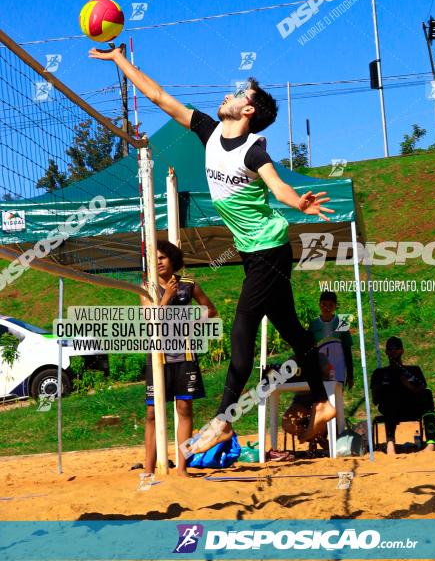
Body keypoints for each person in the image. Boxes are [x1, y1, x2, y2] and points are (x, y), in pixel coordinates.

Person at [89, 46, 336, 453]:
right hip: (255, 254)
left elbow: (278, 187)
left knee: (242, 332)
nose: (230, 95)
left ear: (248, 111)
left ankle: (223, 421)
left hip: (270, 251)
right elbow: (158, 97)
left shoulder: (254, 151)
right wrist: (119, 60)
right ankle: (324, 403)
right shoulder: (208, 131)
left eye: (240, 95)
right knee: (290, 328)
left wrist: (299, 203)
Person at [142, 240, 218, 477]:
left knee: (184, 407)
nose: (158, 262)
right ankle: (148, 469)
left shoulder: (188, 283)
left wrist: (194, 325)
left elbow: (211, 310)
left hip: (184, 356)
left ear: (172, 259)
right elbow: (149, 321)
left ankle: (182, 468)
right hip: (157, 357)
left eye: (162, 257)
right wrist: (166, 299)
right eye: (154, 258)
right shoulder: (147, 287)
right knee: (153, 413)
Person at [370, 336, 435, 455]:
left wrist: (409, 386)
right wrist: (383, 388)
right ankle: (390, 443)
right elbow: (375, 400)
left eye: (396, 348)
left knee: (427, 394)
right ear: (386, 352)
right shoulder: (380, 373)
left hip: (412, 406)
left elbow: (423, 388)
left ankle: (431, 442)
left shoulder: (414, 370)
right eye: (390, 348)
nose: (393, 351)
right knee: (390, 397)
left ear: (402, 351)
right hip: (391, 408)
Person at [308, 291, 353, 389]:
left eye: (330, 305)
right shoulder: (313, 324)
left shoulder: (342, 322)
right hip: (320, 370)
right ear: (319, 305)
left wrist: (350, 375)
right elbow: (310, 349)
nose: (327, 308)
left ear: (335, 306)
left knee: (337, 400)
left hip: (339, 369)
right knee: (321, 401)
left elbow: (347, 349)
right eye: (324, 304)